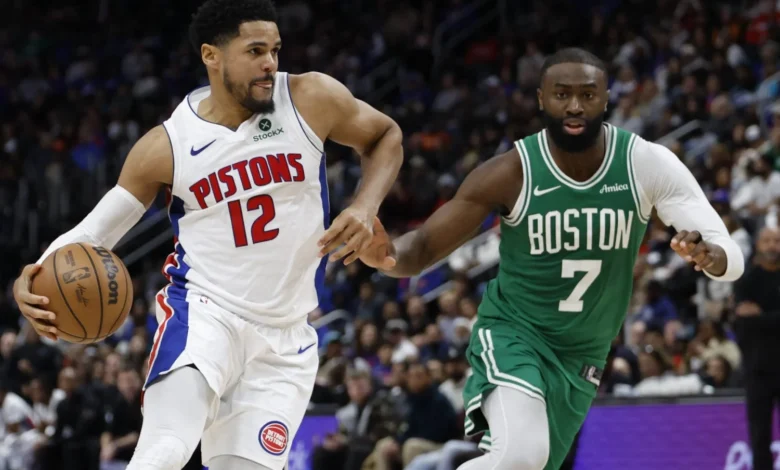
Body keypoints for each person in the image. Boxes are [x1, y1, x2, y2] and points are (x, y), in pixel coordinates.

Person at [11, 0, 403, 468]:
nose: (270, 63)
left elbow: (385, 136)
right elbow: (93, 234)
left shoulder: (310, 98)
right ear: (211, 56)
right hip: (203, 315)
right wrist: (31, 278)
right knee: (164, 451)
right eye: (254, 51)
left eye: (275, 50)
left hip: (285, 338)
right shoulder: (167, 145)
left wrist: (364, 206)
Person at [357, 48, 745, 470]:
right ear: (542, 99)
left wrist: (710, 256)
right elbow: (424, 247)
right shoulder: (512, 172)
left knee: (530, 465)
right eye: (562, 94)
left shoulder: (644, 163)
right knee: (522, 455)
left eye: (587, 94)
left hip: (583, 355)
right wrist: (387, 255)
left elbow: (728, 253)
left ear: (606, 99)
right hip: (516, 333)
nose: (574, 105)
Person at [733, 227, 780, 470]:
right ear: (758, 245)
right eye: (767, 241)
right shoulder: (746, 280)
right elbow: (742, 322)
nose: (772, 246)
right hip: (757, 368)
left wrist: (759, 316)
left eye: (777, 241)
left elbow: (752, 320)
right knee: (759, 434)